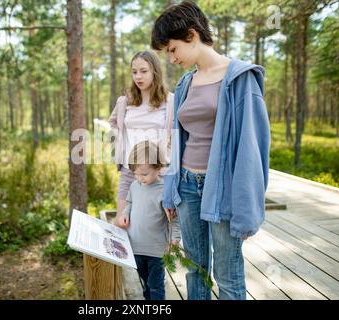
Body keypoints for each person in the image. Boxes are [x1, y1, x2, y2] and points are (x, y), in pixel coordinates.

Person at [151, 0, 270, 300]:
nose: (171, 58)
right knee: (195, 269)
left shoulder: (241, 78)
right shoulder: (186, 83)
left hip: (224, 189)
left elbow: (253, 149)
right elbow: (178, 139)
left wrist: (247, 208)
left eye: (173, 49)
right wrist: (170, 188)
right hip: (188, 186)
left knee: (228, 276)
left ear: (191, 35)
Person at [108, 50, 174, 228]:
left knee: (157, 226)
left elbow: (177, 132)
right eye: (134, 71)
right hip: (131, 170)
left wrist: (166, 145)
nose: (138, 76)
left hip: (159, 171)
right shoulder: (125, 102)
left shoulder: (170, 102)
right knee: (122, 223)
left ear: (155, 71)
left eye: (143, 71)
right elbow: (113, 122)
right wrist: (123, 141)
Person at [118, 140, 181, 300]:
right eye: (136, 174)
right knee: (145, 282)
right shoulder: (134, 186)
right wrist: (125, 213)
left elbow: (174, 219)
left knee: (156, 285)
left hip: (156, 250)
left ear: (158, 168)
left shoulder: (164, 191)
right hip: (136, 247)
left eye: (144, 174)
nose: (140, 178)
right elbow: (130, 203)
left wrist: (175, 239)